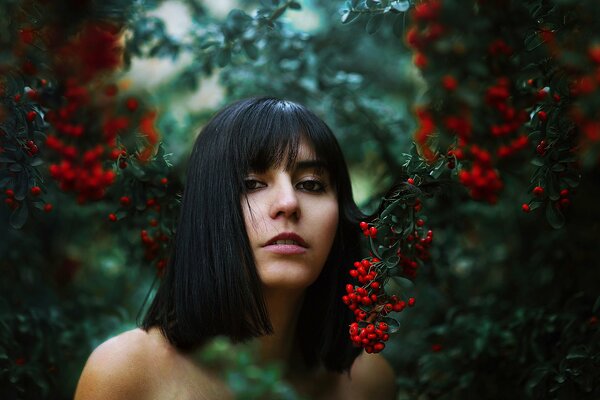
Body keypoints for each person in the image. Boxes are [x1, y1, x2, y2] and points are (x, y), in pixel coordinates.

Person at [74, 97, 397, 399]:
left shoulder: (366, 383)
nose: (288, 202)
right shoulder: (127, 375)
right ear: (207, 210)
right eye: (252, 184)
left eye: (311, 184)